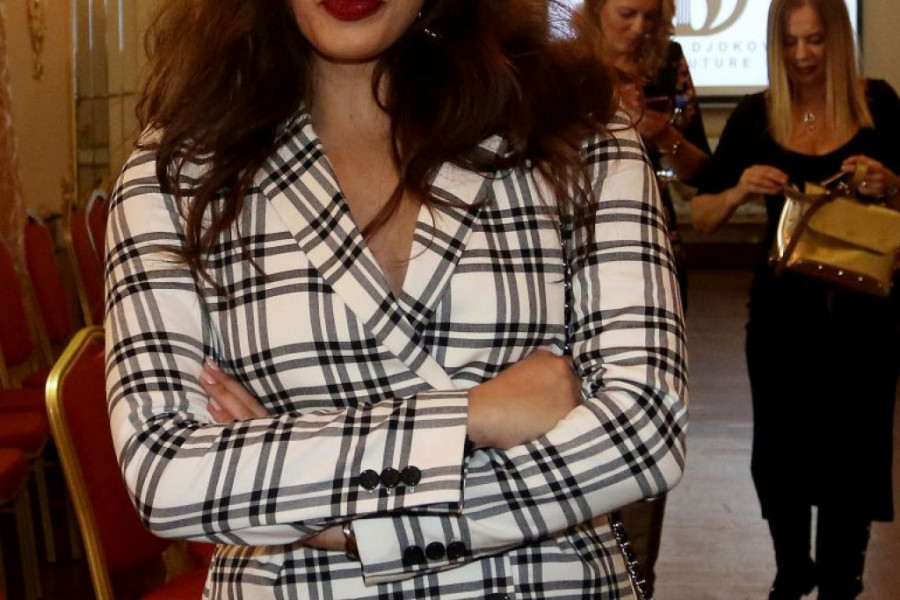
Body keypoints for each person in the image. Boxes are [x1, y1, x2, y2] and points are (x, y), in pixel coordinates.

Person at [104, 1, 688, 598]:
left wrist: (349, 525)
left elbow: (646, 429)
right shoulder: (178, 172)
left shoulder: (576, 133)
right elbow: (165, 471)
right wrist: (474, 416)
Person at [692, 1, 900, 598]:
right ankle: (791, 568)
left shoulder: (878, 106)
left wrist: (890, 184)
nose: (803, 55)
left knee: (853, 451)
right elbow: (702, 215)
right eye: (789, 42)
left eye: (814, 41)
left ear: (838, 40)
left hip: (866, 316)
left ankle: (842, 577)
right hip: (781, 316)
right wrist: (738, 190)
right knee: (781, 450)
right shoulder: (755, 116)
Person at [584, 0, 710, 593]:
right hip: (572, 255)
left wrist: (665, 137)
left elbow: (702, 171)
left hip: (655, 258)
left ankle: (636, 579)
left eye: (651, 16)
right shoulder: (559, 66)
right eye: (628, 13)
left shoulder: (670, 63)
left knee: (645, 410)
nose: (639, 29)